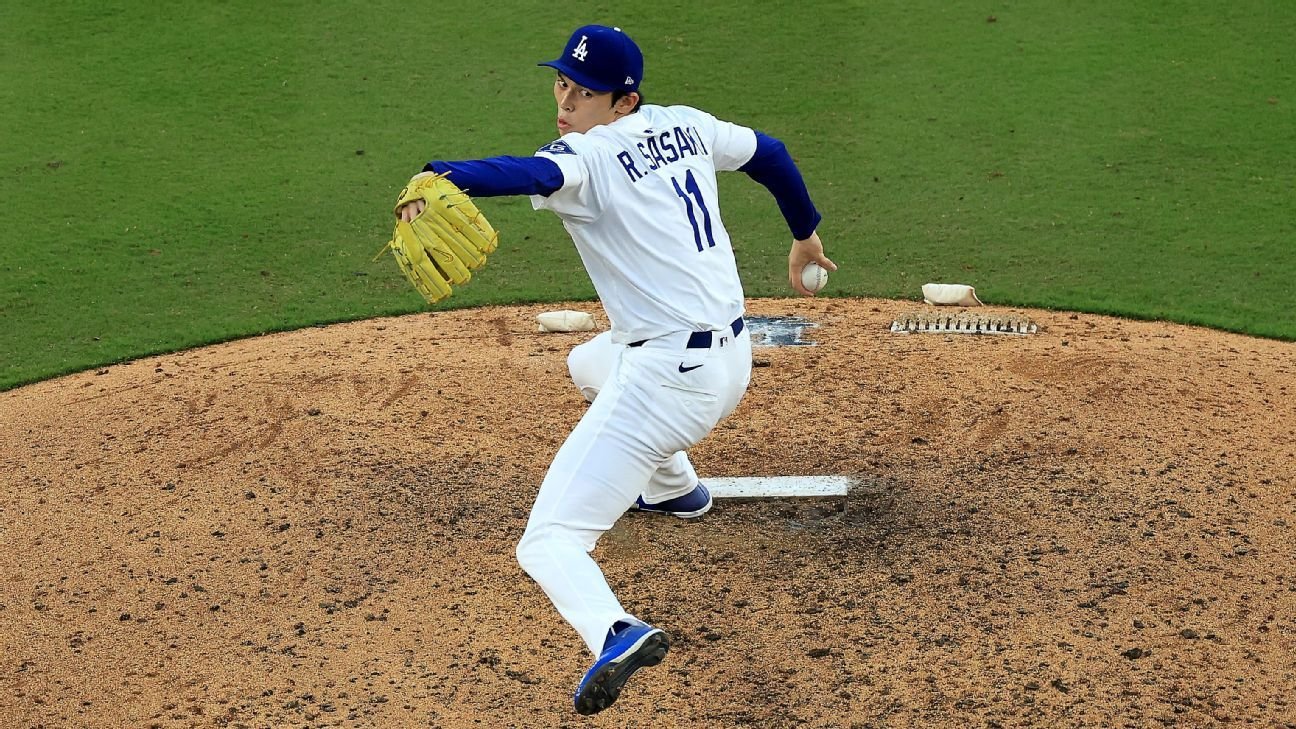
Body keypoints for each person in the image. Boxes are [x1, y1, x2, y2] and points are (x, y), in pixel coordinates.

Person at [398, 24, 836, 715]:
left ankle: (614, 629)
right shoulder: (685, 126)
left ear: (623, 100)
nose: (566, 100)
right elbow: (771, 154)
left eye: (584, 90)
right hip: (729, 365)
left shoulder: (589, 157)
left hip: (666, 383)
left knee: (547, 541)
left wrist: (443, 170)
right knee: (587, 360)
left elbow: (532, 172)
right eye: (561, 82)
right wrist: (804, 230)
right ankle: (674, 489)